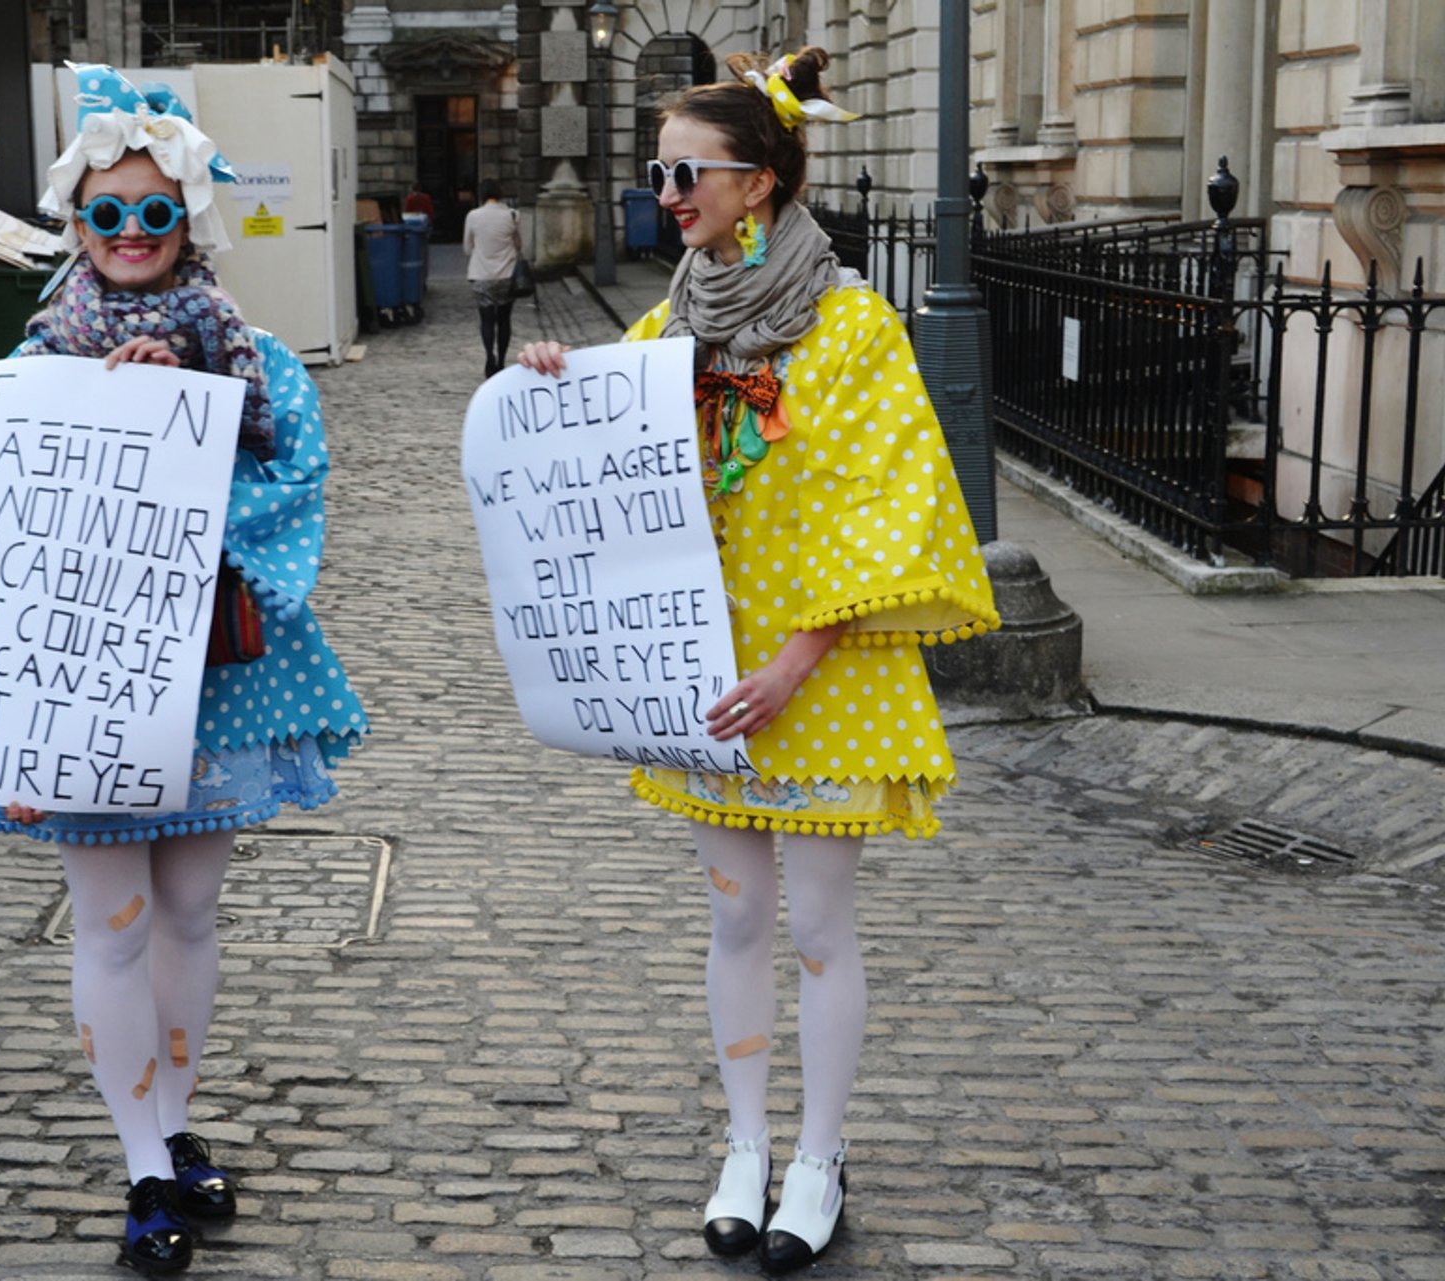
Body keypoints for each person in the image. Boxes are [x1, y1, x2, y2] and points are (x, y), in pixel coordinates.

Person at [519, 47, 997, 1274]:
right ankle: (744, 1147)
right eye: (659, 170)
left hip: (817, 676)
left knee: (822, 929)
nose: (668, 192)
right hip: (709, 675)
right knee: (735, 921)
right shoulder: (670, 319)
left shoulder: (852, 325)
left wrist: (800, 658)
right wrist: (554, 383)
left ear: (764, 183)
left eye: (688, 170)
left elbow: (886, 510)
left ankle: (819, 1157)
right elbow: (598, 449)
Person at [0, 65, 367, 1276]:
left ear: (187, 219)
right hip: (88, 687)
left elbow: (292, 490)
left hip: (219, 677)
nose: (132, 233)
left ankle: (176, 1123)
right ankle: (143, 1165)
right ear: (77, 222)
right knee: (114, 927)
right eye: (108, 212)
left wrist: (184, 425)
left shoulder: (255, 359)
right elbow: (0, 540)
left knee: (192, 911)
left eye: (155, 212)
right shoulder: (34, 369)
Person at [463, 178, 522, 378]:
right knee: (504, 319)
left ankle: (490, 357)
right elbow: (519, 245)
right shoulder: (512, 215)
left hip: (481, 275)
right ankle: (502, 360)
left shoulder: (473, 216)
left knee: (486, 320)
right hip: (506, 275)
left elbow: (467, 248)